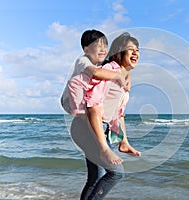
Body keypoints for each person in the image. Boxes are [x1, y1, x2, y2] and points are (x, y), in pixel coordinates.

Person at [70, 32, 140, 200]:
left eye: (137, 50)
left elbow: (118, 114)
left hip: (95, 127)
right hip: (89, 126)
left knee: (95, 177)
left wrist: (124, 142)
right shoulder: (108, 72)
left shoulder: (122, 77)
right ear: (118, 52)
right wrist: (104, 148)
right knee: (116, 173)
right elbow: (93, 106)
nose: (136, 53)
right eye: (130, 49)